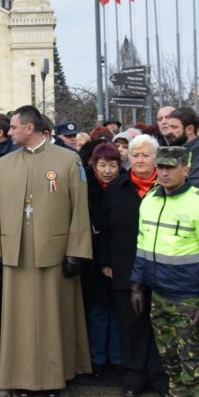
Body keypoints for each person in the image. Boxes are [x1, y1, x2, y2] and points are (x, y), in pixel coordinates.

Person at [0, 105, 92, 397]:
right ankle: (21, 379)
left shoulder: (68, 160)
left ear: (29, 128)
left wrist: (77, 251)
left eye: (15, 127)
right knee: (18, 321)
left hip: (55, 254)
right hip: (16, 253)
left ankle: (54, 378)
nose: (10, 132)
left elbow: (80, 210)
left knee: (53, 320)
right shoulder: (6, 163)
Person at [130, 145, 199, 397]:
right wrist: (137, 285)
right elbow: (142, 245)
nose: (163, 173)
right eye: (160, 167)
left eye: (170, 168)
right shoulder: (150, 200)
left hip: (191, 301)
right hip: (160, 298)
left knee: (195, 370)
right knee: (172, 365)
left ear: (185, 169)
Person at [97, 134, 168, 397]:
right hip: (124, 268)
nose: (139, 159)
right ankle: (134, 376)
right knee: (130, 326)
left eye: (145, 155)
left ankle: (162, 378)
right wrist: (104, 261)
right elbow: (103, 228)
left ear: (156, 159)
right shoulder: (118, 186)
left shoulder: (166, 186)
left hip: (163, 270)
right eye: (135, 155)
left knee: (160, 326)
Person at [83, 142, 123, 380]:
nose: (107, 170)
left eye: (112, 165)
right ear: (93, 165)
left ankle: (117, 358)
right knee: (97, 312)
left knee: (117, 312)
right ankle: (97, 359)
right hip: (93, 258)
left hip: (119, 258)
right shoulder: (85, 187)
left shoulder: (124, 186)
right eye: (102, 165)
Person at [160, 107, 199, 193]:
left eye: (174, 127)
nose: (169, 131)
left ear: (189, 129)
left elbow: (195, 189)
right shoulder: (175, 150)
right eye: (169, 127)